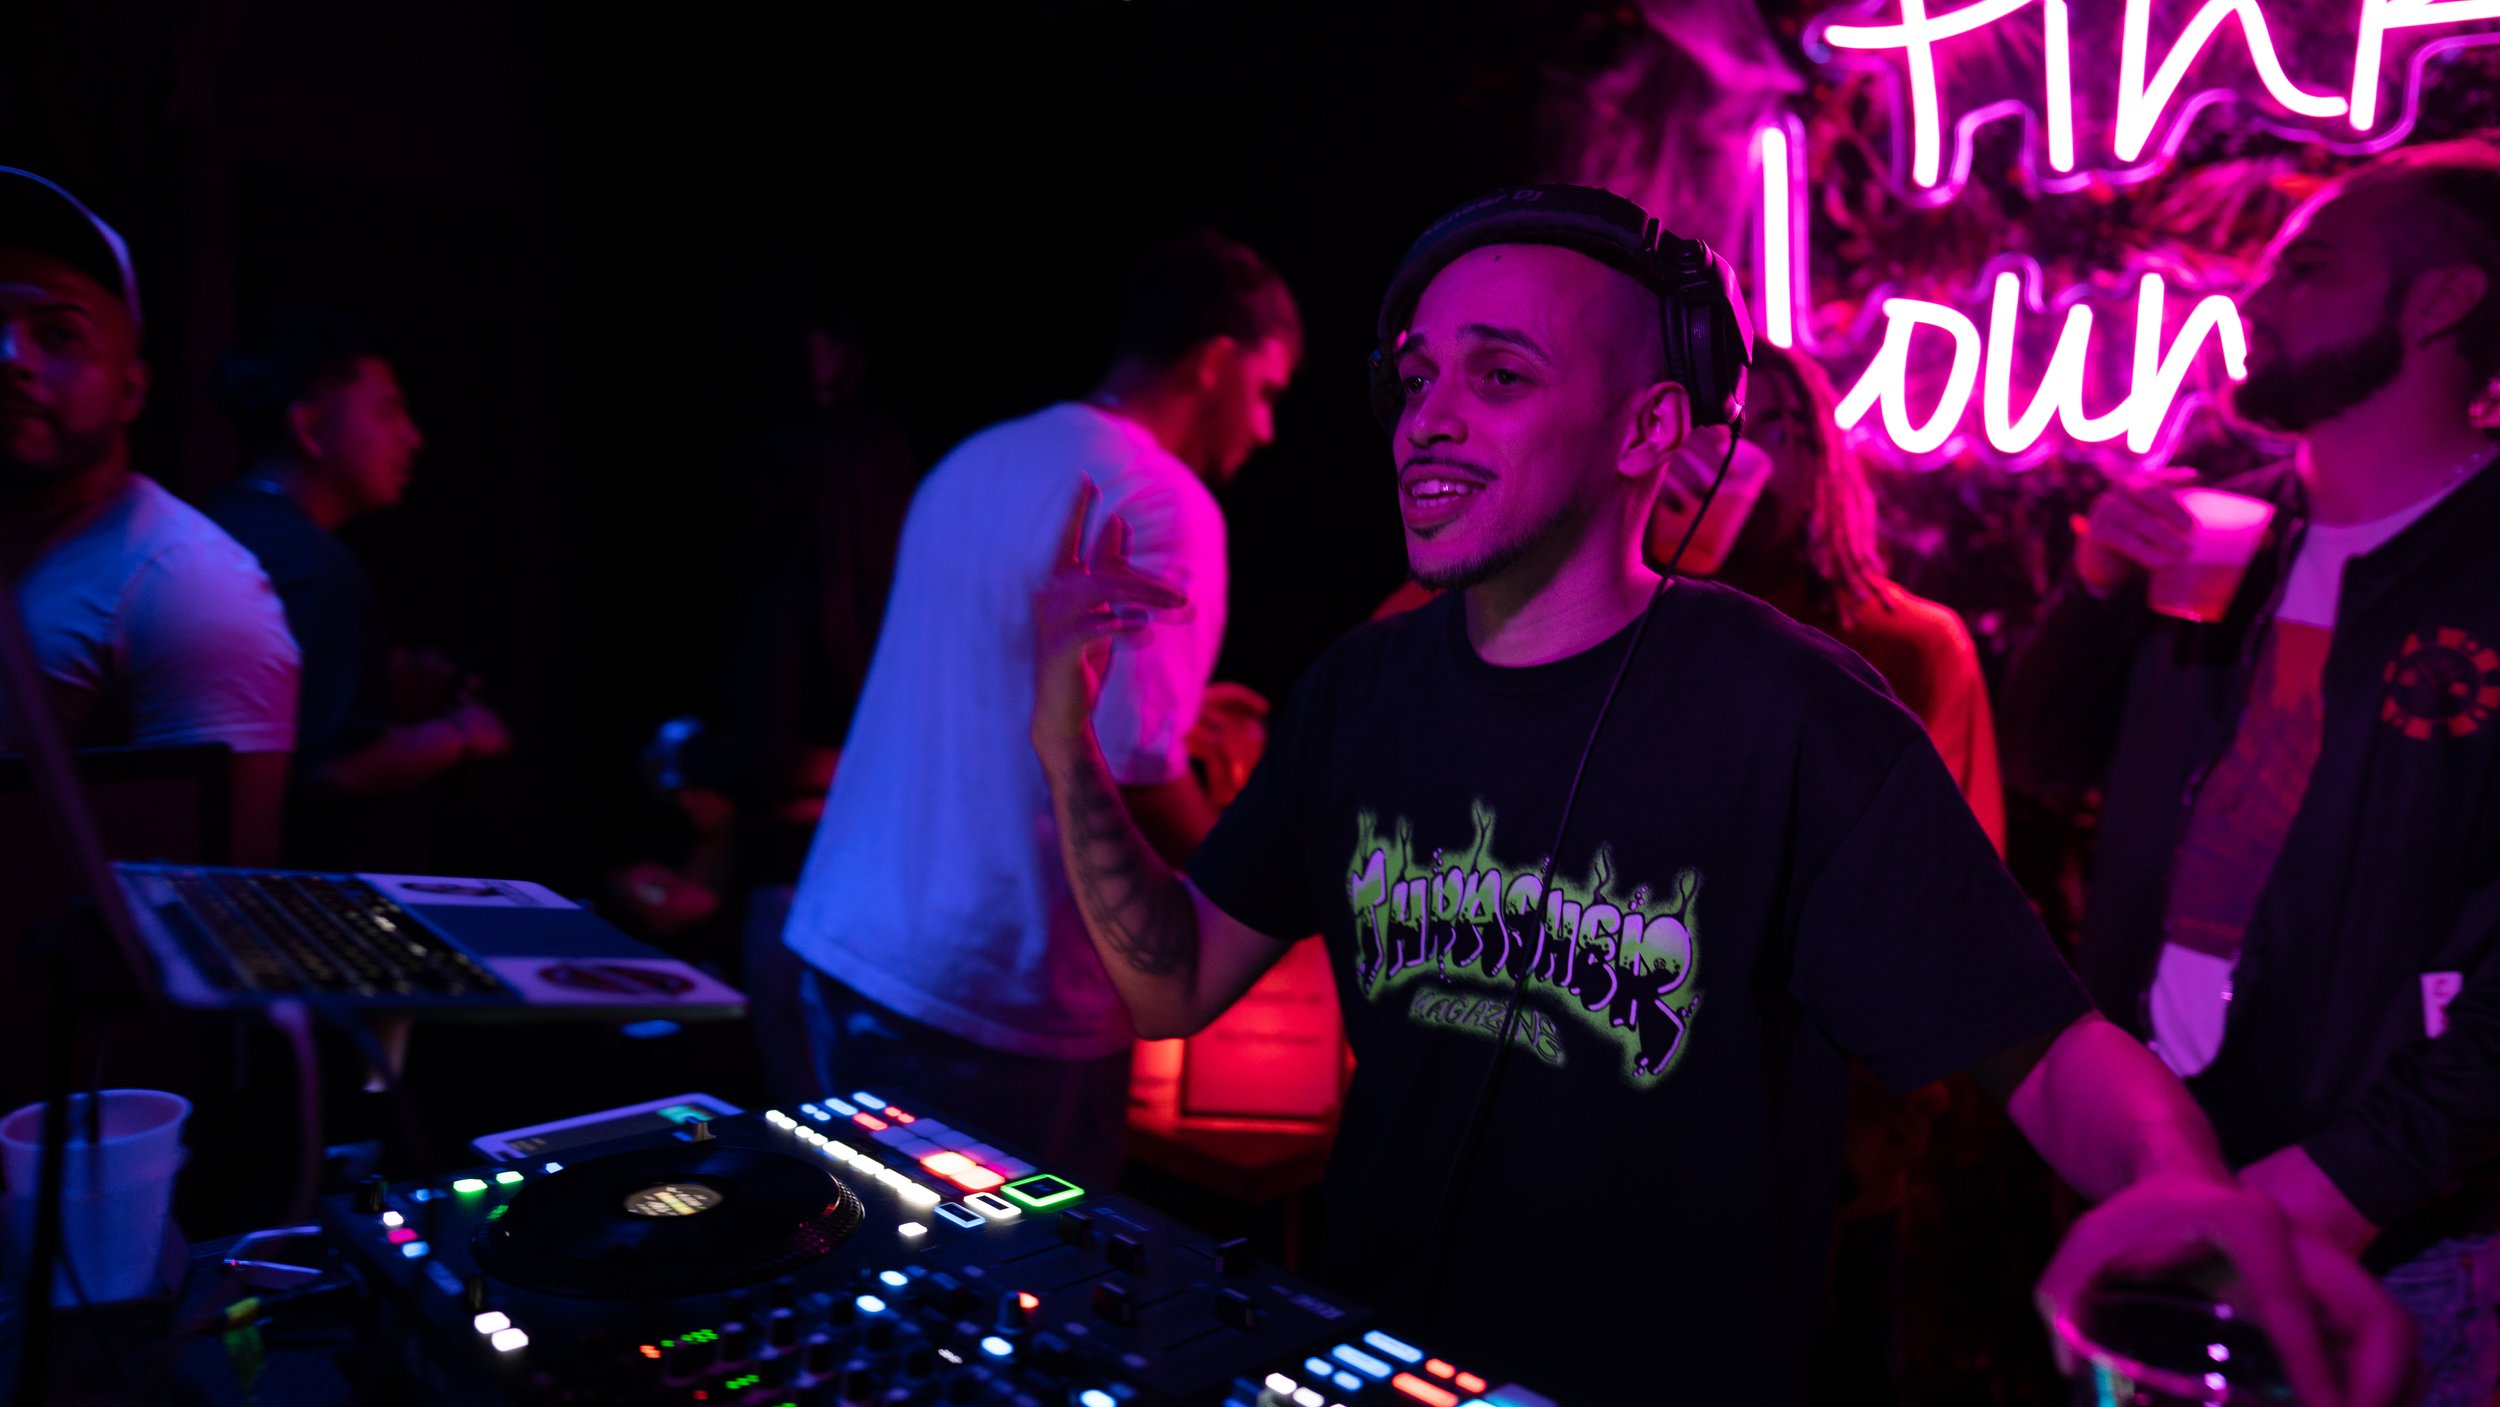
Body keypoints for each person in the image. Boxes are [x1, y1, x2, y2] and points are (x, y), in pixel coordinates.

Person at [1031, 185, 2409, 1406]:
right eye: (1416, 375)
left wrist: (2176, 1180)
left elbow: (2039, 1045)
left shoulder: (1795, 713)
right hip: (1379, 1356)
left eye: (1498, 375)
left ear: (1649, 429)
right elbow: (1173, 982)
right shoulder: (1358, 687)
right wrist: (1061, 737)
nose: (1427, 418)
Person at [2005, 138, 2500, 1403]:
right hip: (2149, 1177)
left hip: (2380, 1245)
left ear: (2441, 301)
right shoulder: (2220, 530)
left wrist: (2342, 1184)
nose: (2250, 299)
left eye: (2310, 267)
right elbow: (2042, 765)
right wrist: (2094, 592)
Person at [781, 230, 1300, 1183]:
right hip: (993, 998)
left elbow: (986, 682)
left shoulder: (982, 456)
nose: (1265, 430)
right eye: (1266, 392)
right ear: (1215, 359)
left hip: (845, 941)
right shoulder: (1164, 500)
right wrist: (1269, 887)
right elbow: (1138, 777)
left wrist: (1177, 712)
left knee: (873, 1285)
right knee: (1018, 1314)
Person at [0, 167, 297, 865]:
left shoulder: (190, 586)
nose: (10, 358)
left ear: (132, 388)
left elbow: (221, 905)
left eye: (58, 333)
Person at [203, 310, 510, 868]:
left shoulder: (215, 525)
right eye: (388, 411)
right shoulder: (315, 564)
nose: (413, 438)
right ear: (310, 429)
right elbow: (328, 768)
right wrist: (463, 732)